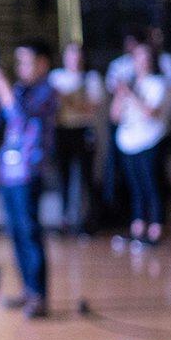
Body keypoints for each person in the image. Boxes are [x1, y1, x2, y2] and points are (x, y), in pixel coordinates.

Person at [0, 40, 58, 318]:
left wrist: (2, 88)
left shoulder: (47, 91)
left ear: (42, 63)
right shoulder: (17, 90)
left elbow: (22, 117)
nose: (20, 68)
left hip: (29, 170)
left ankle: (39, 295)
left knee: (30, 231)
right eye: (19, 62)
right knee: (15, 233)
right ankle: (27, 288)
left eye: (26, 61)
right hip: (8, 171)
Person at [112, 43, 171, 245]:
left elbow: (150, 113)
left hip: (149, 140)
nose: (141, 61)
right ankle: (138, 228)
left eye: (145, 57)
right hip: (128, 141)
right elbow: (115, 116)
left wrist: (131, 94)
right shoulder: (129, 84)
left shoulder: (158, 83)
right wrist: (121, 95)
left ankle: (156, 228)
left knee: (151, 185)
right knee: (135, 187)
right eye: (137, 57)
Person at [49, 43, 104, 233]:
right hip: (62, 131)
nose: (74, 59)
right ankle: (65, 220)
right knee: (63, 177)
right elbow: (50, 108)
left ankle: (89, 220)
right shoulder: (56, 76)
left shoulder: (91, 78)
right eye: (70, 55)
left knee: (86, 177)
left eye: (78, 55)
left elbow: (91, 108)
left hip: (83, 131)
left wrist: (68, 100)